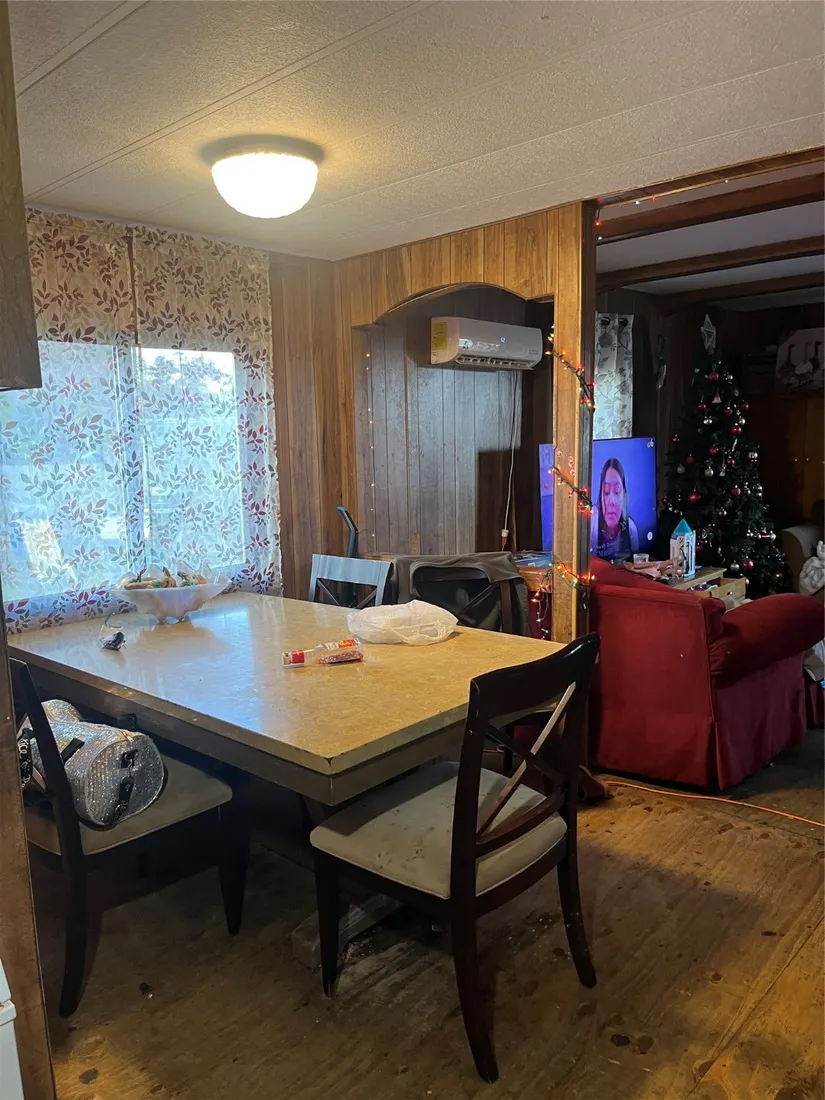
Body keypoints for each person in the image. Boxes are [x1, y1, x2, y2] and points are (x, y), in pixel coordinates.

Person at [592, 457, 639, 561]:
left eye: (617, 492)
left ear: (624, 496)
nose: (611, 501)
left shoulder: (631, 529)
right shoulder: (591, 524)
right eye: (606, 492)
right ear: (601, 495)